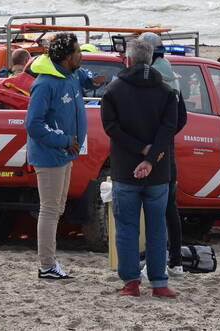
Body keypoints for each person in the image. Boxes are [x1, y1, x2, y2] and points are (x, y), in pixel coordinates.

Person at [100, 38, 180, 298]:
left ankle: (131, 282)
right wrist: (152, 154)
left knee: (126, 228)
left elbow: (111, 127)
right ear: (152, 58)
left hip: (125, 168)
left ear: (128, 59)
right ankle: (158, 282)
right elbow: (170, 127)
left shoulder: (114, 90)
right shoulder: (166, 91)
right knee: (158, 227)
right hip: (158, 170)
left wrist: (140, 151)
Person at [24, 32, 88, 280]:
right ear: (66, 56)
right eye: (78, 52)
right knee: (50, 209)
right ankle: (46, 266)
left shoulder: (70, 75)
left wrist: (93, 79)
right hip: (50, 155)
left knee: (57, 208)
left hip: (65, 155)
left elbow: (84, 76)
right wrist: (63, 140)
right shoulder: (44, 84)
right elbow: (33, 124)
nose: (81, 55)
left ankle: (50, 263)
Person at [153, 56, 188, 278]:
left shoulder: (150, 82)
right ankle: (176, 261)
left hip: (149, 153)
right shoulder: (174, 83)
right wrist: (167, 136)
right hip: (168, 154)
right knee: (169, 209)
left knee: (148, 208)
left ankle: (152, 259)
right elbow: (181, 118)